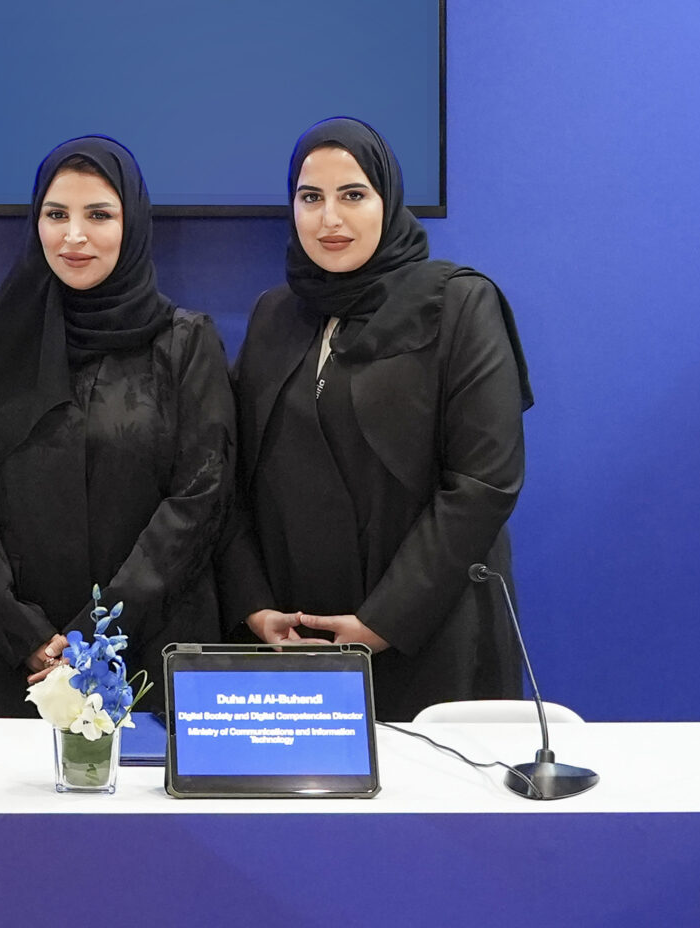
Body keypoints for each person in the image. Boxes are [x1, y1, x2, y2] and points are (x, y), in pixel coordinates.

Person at [216, 118, 533, 723]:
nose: (329, 219)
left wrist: (382, 622)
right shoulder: (274, 314)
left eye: (353, 195)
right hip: (297, 639)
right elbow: (231, 475)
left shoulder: (460, 303)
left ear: (387, 199)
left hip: (429, 632)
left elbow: (485, 482)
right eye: (310, 197)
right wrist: (254, 605)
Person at [0, 137, 232, 717]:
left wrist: (97, 633)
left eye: (99, 215)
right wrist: (23, 629)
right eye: (56, 214)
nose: (73, 236)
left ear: (132, 223)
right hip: (13, 655)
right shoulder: (4, 342)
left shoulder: (185, 343)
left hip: (144, 646)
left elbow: (199, 499)